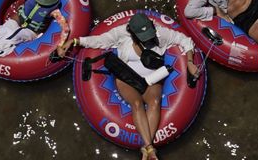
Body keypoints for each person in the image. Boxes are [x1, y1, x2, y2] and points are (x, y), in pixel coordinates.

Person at [61, 13, 199, 160]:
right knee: (137, 103)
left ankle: (147, 149)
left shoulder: (161, 33)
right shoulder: (121, 34)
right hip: (126, 77)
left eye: (149, 34)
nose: (148, 39)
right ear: (132, 34)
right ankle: (150, 149)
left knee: (155, 102)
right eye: (143, 36)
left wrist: (190, 62)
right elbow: (100, 41)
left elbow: (185, 40)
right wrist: (75, 41)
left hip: (151, 79)